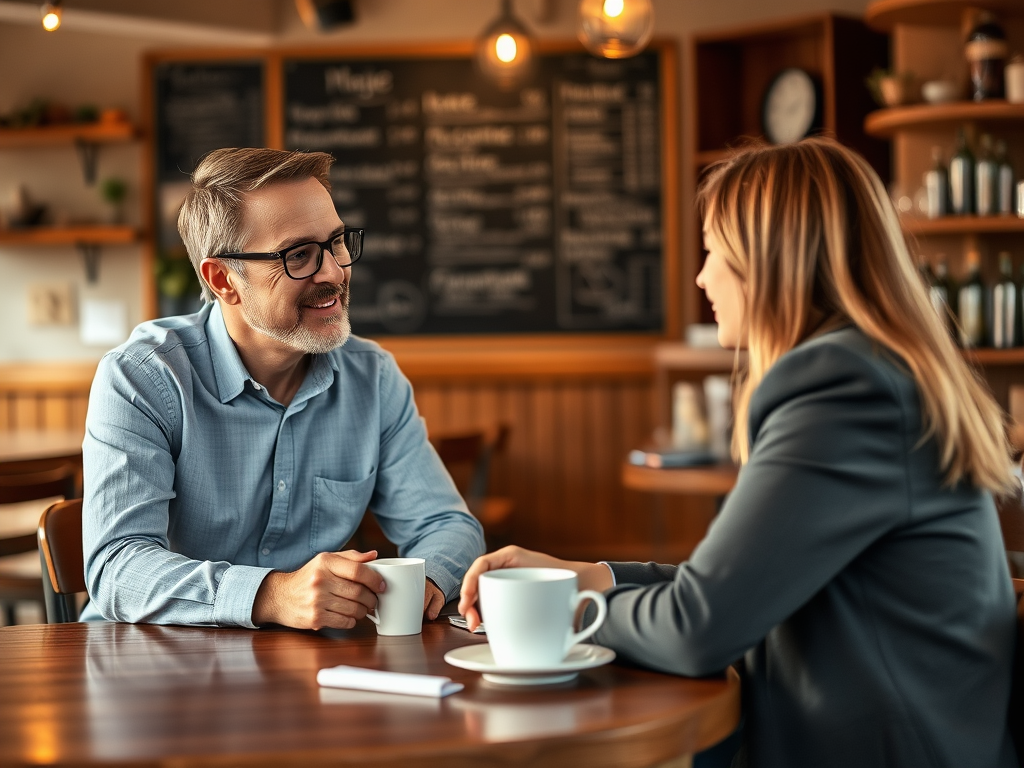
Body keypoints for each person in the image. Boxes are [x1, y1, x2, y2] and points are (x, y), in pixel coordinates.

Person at [459, 138, 1018, 768]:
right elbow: (742, 586)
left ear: (770, 261)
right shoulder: (872, 373)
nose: (701, 277)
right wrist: (588, 576)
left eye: (712, 252)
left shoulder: (841, 390)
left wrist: (559, 608)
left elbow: (699, 627)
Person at [82, 147, 484, 629]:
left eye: (336, 243)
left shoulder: (372, 377)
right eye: (298, 255)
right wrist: (271, 595)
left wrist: (424, 585)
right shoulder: (142, 378)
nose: (334, 272)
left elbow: (448, 525)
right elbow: (117, 568)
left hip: (308, 673)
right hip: (151, 669)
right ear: (223, 279)